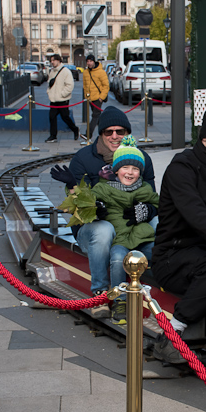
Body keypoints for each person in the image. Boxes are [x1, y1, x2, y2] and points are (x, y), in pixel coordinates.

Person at [151, 105, 206, 364]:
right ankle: (170, 335)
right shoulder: (182, 167)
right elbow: (197, 217)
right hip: (172, 256)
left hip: (205, 252)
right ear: (204, 136)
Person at [50, 107, 156, 297]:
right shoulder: (83, 159)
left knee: (158, 222)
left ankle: (158, 273)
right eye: (109, 132)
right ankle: (99, 289)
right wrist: (93, 206)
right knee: (104, 229)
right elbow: (79, 204)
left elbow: (152, 195)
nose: (115, 136)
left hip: (129, 225)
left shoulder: (140, 159)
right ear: (101, 134)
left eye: (120, 131)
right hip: (94, 227)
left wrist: (146, 210)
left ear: (127, 133)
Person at [87, 136, 158, 324]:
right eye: (125, 167)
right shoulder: (103, 188)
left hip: (142, 238)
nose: (130, 172)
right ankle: (120, 300)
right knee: (118, 258)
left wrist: (149, 210)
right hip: (120, 239)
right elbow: (91, 202)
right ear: (116, 169)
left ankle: (163, 286)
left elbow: (159, 203)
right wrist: (97, 208)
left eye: (135, 169)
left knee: (160, 251)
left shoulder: (144, 188)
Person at [45, 53, 81, 142]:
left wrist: (62, 94)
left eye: (53, 60)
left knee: (65, 117)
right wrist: (49, 93)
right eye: (51, 61)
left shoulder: (66, 71)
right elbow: (49, 83)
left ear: (58, 60)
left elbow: (70, 85)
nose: (52, 62)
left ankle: (75, 129)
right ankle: (53, 136)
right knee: (52, 117)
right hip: (53, 99)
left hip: (62, 100)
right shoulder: (52, 71)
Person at [82, 54, 109, 136]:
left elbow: (106, 86)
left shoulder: (101, 72)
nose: (89, 63)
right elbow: (85, 85)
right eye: (88, 61)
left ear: (94, 61)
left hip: (98, 98)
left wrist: (101, 97)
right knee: (97, 117)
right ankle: (105, 130)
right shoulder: (86, 72)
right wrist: (86, 96)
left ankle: (88, 135)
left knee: (95, 115)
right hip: (90, 98)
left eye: (91, 61)